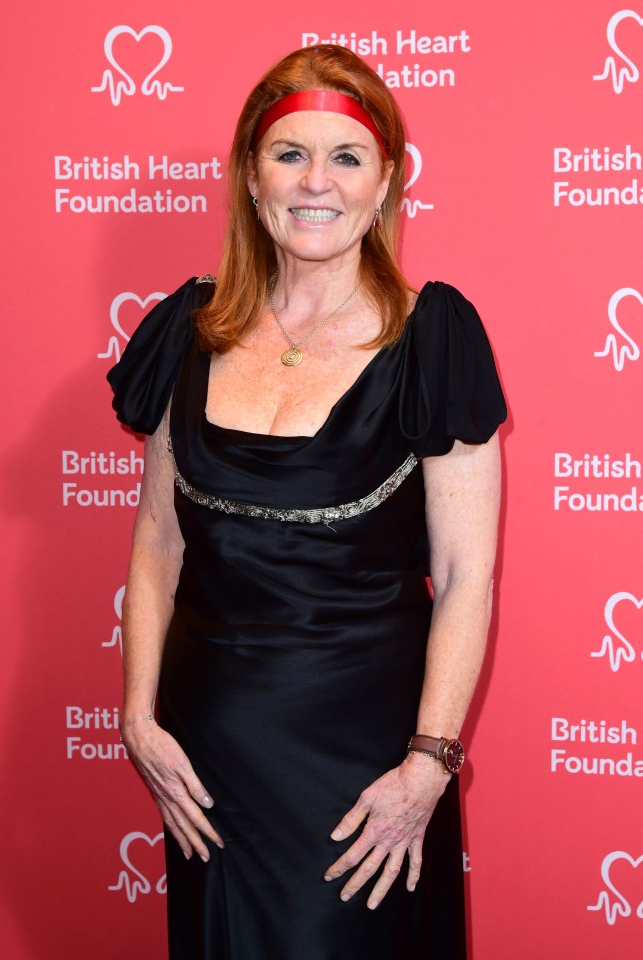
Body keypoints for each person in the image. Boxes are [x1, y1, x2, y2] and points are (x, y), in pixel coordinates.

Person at [108, 44, 506, 960]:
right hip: (207, 772)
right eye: (289, 154)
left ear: (386, 185)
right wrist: (137, 718)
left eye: (346, 157)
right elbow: (158, 544)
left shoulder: (434, 339)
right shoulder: (190, 332)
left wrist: (428, 765)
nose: (315, 182)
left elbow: (465, 573)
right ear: (252, 179)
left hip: (367, 776)